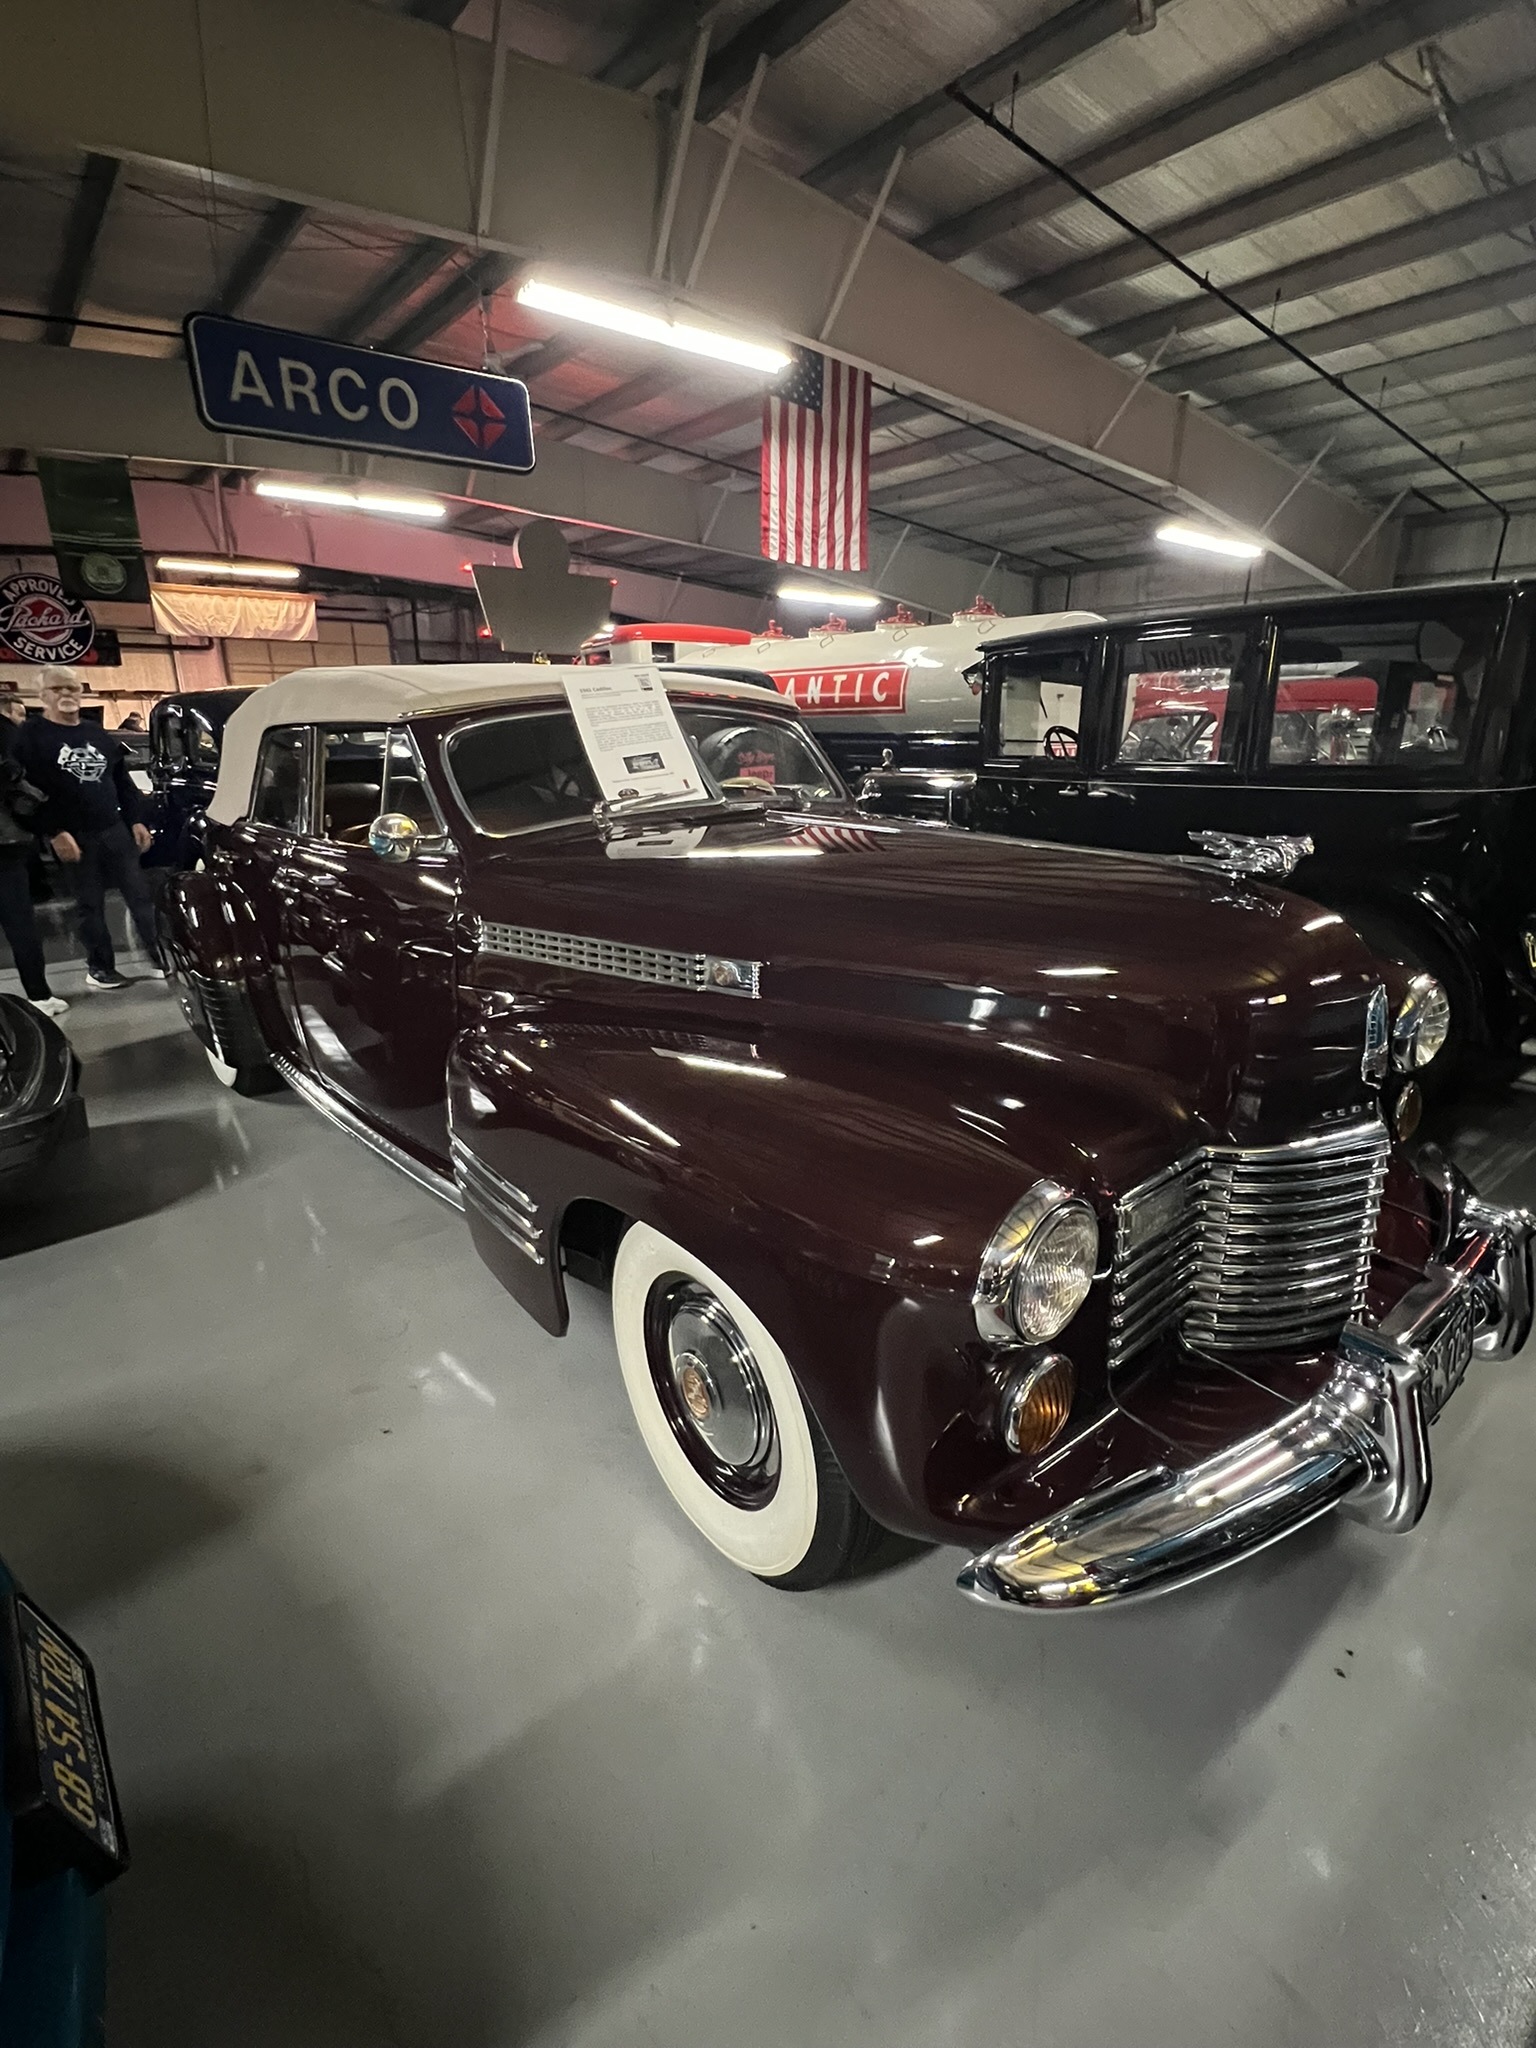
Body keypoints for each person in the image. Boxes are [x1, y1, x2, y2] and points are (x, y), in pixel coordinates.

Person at [15, 668, 164, 992]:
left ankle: (160, 959)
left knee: (140, 897)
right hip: (73, 835)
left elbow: (121, 781)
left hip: (113, 829)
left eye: (72, 688)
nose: (66, 694)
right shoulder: (31, 736)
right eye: (57, 688)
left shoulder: (95, 733)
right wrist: (54, 832)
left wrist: (136, 820)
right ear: (42, 696)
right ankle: (100, 968)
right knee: (89, 906)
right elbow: (26, 790)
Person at [0, 701, 68, 1015]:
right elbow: (20, 776)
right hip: (7, 841)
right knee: (20, 924)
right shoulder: (8, 734)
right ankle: (39, 996)